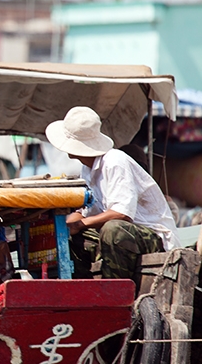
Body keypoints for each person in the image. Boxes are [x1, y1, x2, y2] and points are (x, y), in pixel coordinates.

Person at [45, 106, 181, 281]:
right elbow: (86, 213)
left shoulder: (115, 161)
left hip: (153, 237)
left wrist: (80, 224)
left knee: (113, 230)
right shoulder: (87, 169)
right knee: (67, 238)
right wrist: (64, 226)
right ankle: (82, 290)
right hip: (122, 234)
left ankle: (114, 292)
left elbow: (122, 214)